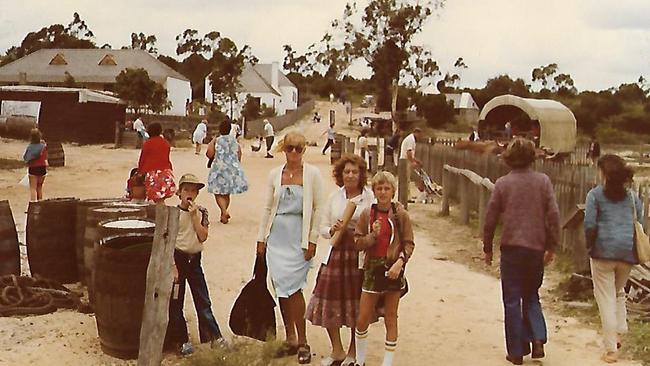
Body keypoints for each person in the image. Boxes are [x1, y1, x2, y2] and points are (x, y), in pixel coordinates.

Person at [483, 138, 560, 365]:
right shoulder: (543, 181)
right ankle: (537, 338)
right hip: (535, 247)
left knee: (512, 299)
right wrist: (552, 245)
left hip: (511, 248)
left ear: (508, 158)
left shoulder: (503, 184)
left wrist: (487, 247)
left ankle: (516, 351)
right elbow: (553, 216)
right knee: (531, 294)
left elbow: (490, 219)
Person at [256, 132, 324, 364]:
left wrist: (312, 239)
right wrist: (261, 239)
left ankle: (303, 340)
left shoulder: (312, 174)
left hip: (298, 237)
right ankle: (290, 337)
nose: (293, 153)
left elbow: (317, 208)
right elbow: (267, 208)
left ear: (304, 150)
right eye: (289, 148)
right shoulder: (276, 174)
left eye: (298, 149)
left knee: (295, 289)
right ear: (283, 149)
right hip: (277, 237)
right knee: (281, 288)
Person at [306, 154, 374, 366]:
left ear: (361, 175)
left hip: (358, 254)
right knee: (327, 298)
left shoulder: (369, 197)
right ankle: (337, 350)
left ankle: (354, 352)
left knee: (356, 304)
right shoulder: (335, 197)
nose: (351, 175)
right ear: (340, 175)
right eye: (346, 172)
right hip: (336, 253)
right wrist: (331, 229)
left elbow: (375, 225)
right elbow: (322, 227)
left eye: (355, 172)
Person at [354, 171, 415, 366]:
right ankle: (360, 359)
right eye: (379, 188)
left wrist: (400, 262)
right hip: (372, 267)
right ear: (374, 191)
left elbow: (408, 243)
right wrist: (372, 236)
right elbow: (358, 242)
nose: (383, 192)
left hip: (393, 267)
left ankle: (387, 362)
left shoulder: (400, 215)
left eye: (386, 188)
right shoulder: (367, 214)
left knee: (390, 316)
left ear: (393, 191)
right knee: (363, 316)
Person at [584, 154, 639, 363]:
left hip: (603, 253)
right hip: (626, 252)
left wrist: (591, 245)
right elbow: (640, 223)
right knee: (618, 293)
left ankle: (611, 348)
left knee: (605, 298)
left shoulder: (595, 195)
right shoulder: (633, 197)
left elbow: (589, 224)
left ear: (604, 174)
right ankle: (620, 328)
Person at [165, 173, 227, 355]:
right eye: (186, 190)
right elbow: (167, 241)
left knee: (202, 299)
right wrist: (172, 266)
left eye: (193, 190)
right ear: (179, 192)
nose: (190, 193)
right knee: (176, 302)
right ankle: (181, 340)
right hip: (179, 258)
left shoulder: (202, 212)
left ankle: (214, 336)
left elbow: (203, 236)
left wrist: (194, 217)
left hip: (195, 260)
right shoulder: (172, 214)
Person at [206, 121, 248, 224]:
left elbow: (209, 153)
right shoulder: (234, 141)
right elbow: (239, 155)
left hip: (219, 168)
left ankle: (224, 211)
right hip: (231, 168)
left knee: (217, 191)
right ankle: (223, 215)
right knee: (226, 193)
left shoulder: (217, 140)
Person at [137, 122, 176, 203]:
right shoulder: (165, 143)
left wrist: (140, 172)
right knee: (161, 198)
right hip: (166, 173)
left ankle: (158, 214)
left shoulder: (147, 143)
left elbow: (143, 159)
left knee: (155, 198)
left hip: (153, 174)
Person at [23, 128, 48, 202]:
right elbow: (45, 157)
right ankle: (40, 203)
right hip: (42, 168)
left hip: (33, 168)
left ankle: (33, 204)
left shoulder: (30, 147)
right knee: (39, 187)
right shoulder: (43, 147)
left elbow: (25, 157)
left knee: (33, 188)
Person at [399, 128, 423, 201]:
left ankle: (407, 197)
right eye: (420, 134)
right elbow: (408, 153)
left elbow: (411, 154)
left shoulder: (411, 139)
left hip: (406, 160)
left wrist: (417, 161)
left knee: (407, 179)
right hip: (405, 160)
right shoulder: (411, 140)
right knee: (406, 180)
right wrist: (412, 162)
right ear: (416, 133)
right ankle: (406, 198)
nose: (420, 137)